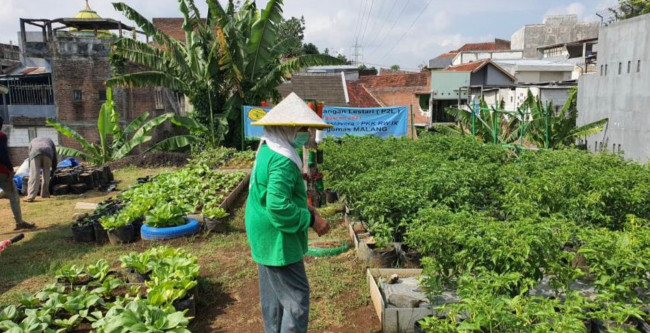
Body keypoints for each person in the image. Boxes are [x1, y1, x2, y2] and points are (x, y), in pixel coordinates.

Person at [245, 93, 332, 333]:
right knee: (296, 299)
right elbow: (278, 206)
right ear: (287, 127)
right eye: (303, 128)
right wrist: (312, 219)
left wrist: (306, 207)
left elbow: (275, 196)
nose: (306, 133)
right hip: (277, 238)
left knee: (274, 298)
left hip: (263, 234)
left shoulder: (268, 147)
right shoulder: (282, 160)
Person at [0, 116, 35, 230]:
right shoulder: (1, 136)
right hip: (2, 171)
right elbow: (3, 154)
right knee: (13, 195)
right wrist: (10, 169)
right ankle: (19, 222)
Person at [24, 137, 57, 202]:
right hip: (48, 153)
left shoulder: (32, 141)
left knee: (34, 175)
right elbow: (54, 156)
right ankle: (45, 194)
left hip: (35, 152)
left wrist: (30, 168)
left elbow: (30, 155)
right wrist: (54, 168)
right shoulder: (50, 140)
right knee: (46, 175)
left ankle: (31, 196)